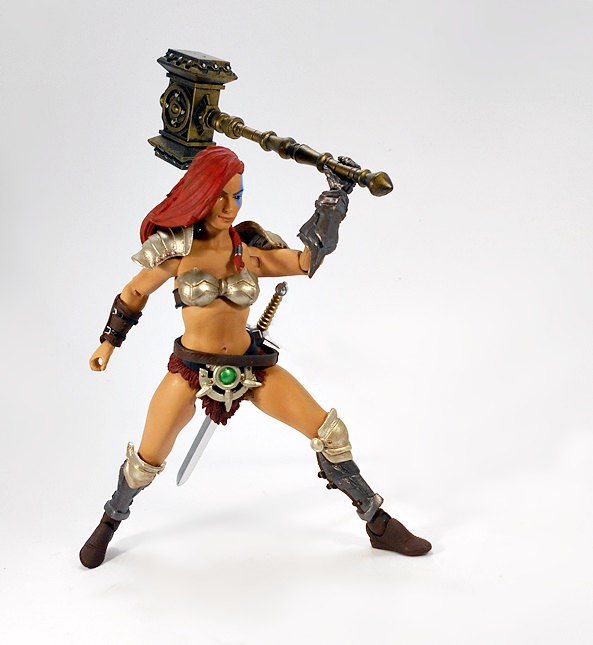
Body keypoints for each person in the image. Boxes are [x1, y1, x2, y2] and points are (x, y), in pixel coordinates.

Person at [79, 146, 431, 568]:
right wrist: (108, 342)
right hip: (192, 370)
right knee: (145, 461)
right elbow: (135, 291)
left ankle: (378, 523)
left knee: (330, 434)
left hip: (252, 368)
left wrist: (333, 202)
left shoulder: (248, 250)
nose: (230, 207)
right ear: (200, 194)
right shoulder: (175, 250)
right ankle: (109, 521)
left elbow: (306, 261)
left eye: (237, 195)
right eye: (220, 196)